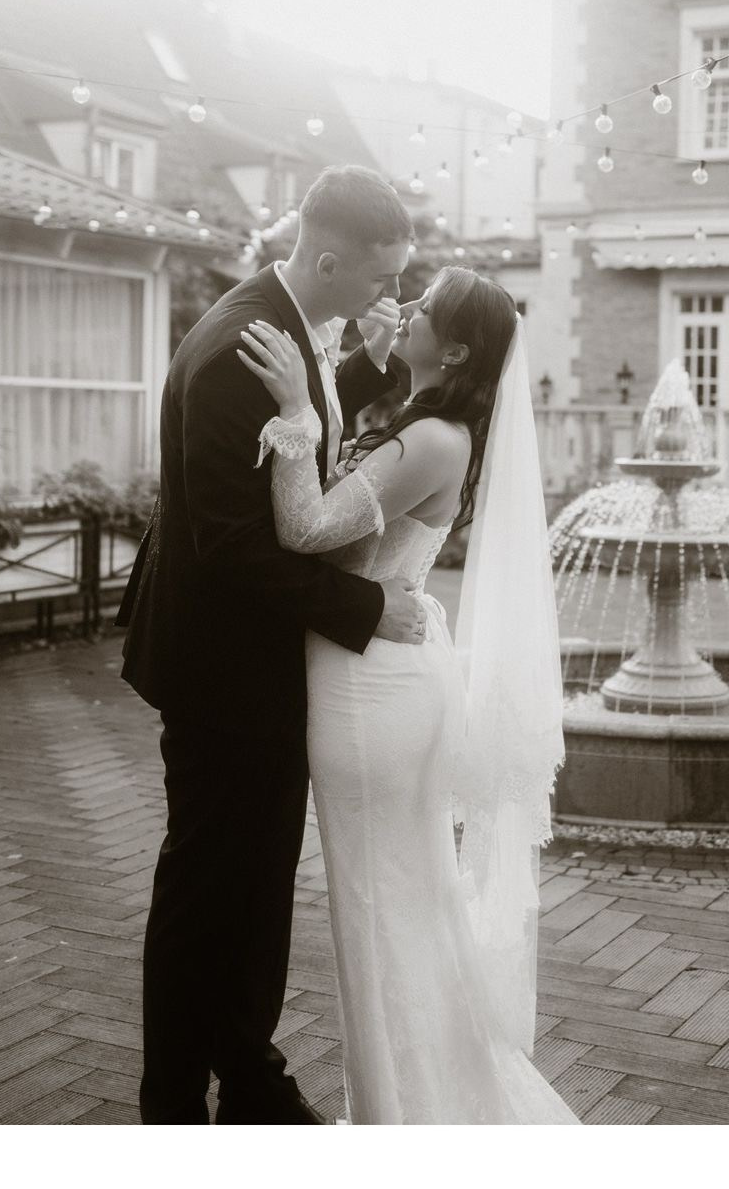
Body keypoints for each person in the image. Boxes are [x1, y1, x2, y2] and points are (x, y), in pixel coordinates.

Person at [116, 165, 427, 1125]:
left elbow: (301, 424)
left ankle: (251, 1082)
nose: (394, 292)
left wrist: (368, 368)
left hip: (243, 656)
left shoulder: (288, 325)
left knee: (248, 887)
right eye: (382, 276)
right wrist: (367, 608)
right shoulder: (239, 351)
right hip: (222, 667)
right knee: (209, 888)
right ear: (328, 262)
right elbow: (235, 545)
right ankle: (176, 1106)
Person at [237, 264, 579, 1124]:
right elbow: (353, 519)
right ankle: (412, 1107)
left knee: (379, 908)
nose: (408, 305)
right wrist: (367, 369)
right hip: (381, 670)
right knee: (398, 903)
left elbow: (307, 528)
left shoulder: (431, 440)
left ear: (455, 350)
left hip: (370, 690)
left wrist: (296, 412)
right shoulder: (428, 426)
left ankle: (412, 1120)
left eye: (427, 306)